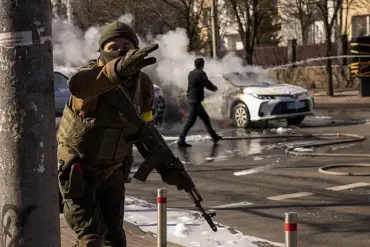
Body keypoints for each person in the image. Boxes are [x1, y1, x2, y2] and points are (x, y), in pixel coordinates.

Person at [57, 21, 188, 247]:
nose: (121, 51)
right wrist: (115, 71)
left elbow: (146, 128)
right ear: (101, 51)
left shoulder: (143, 84)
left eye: (127, 46)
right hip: (79, 171)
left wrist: (168, 167)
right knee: (92, 239)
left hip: (114, 170)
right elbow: (81, 88)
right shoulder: (89, 76)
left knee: (116, 238)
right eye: (113, 47)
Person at [177, 58, 222, 147]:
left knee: (205, 118)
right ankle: (181, 140)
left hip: (192, 99)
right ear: (202, 65)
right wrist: (215, 88)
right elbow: (207, 84)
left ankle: (214, 137)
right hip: (195, 101)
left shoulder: (191, 73)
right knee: (191, 121)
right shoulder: (201, 73)